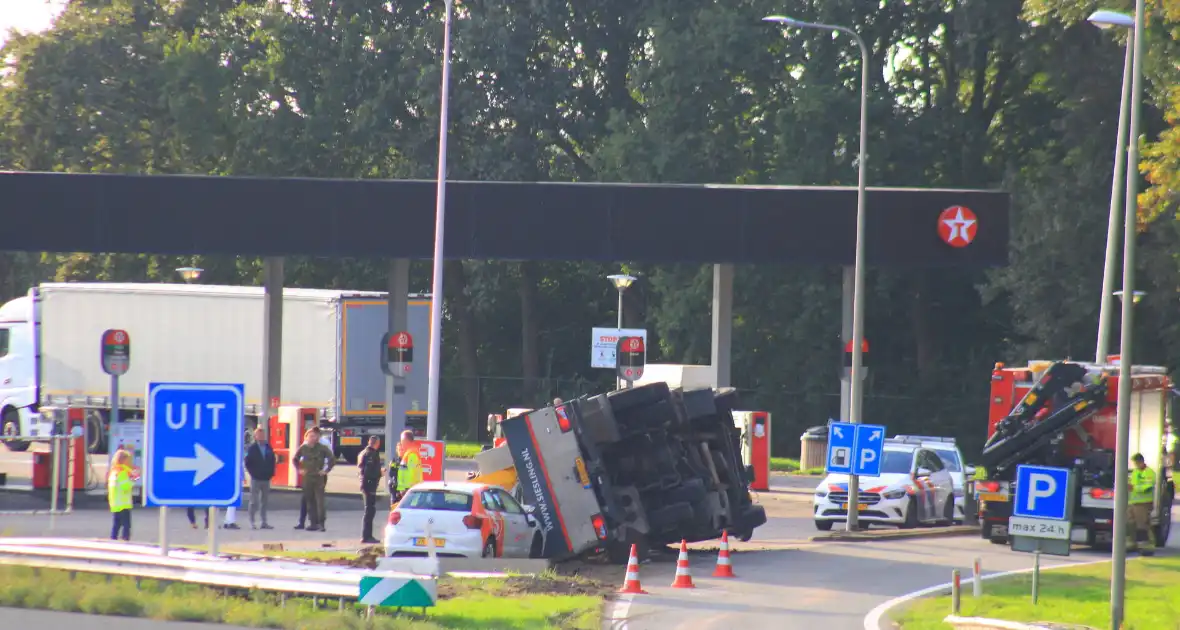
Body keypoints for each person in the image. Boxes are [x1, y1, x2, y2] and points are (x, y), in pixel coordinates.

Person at [293, 427, 334, 532]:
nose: (312, 438)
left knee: (319, 501)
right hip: (307, 478)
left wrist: (326, 470)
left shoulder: (322, 447)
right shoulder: (303, 448)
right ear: (306, 437)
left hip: (318, 477)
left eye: (314, 436)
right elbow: (295, 459)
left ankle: (321, 524)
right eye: (310, 436)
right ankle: (312, 523)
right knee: (309, 501)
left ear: (318, 437)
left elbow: (332, 459)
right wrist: (299, 469)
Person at [245, 427, 276, 530]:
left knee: (265, 501)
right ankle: (252, 521)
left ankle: (264, 522)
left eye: (262, 435)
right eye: (259, 435)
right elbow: (247, 462)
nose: (261, 437)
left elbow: (272, 460)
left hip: (266, 478)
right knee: (254, 501)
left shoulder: (268, 447)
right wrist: (252, 473)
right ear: (255, 436)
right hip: (256, 478)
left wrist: (271, 473)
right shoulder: (252, 448)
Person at [1127, 453, 1157, 556]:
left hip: (1144, 503)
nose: (1135, 465)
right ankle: (1133, 544)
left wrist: (1134, 488)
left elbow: (1148, 486)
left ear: (1141, 461)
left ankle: (1147, 546)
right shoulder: (1135, 472)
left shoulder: (1149, 473)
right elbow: (1132, 483)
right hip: (1133, 502)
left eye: (1136, 463)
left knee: (1143, 525)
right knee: (1131, 523)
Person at [357, 436, 384, 544]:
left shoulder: (363, 452)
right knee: (369, 511)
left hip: (365, 484)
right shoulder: (371, 454)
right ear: (376, 443)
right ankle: (366, 536)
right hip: (369, 485)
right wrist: (380, 473)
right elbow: (368, 472)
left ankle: (367, 535)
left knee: (369, 510)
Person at [108, 449, 134, 541]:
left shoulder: (114, 471)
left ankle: (113, 539)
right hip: (123, 503)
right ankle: (125, 540)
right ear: (123, 460)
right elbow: (125, 486)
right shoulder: (122, 473)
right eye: (128, 460)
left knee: (116, 524)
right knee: (126, 525)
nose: (130, 462)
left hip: (115, 503)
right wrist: (132, 480)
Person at [396, 430, 423, 497]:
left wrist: (404, 488)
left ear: (406, 441)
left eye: (402, 441)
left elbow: (410, 472)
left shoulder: (411, 454)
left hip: (410, 491)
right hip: (410, 490)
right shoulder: (410, 453)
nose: (401, 444)